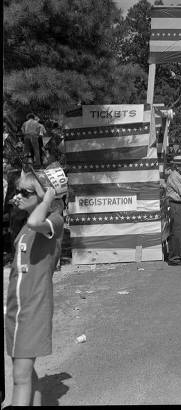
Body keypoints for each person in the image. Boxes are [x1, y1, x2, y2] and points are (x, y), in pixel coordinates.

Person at [5, 170, 65, 406]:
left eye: (25, 191)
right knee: (27, 373)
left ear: (44, 193)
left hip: (33, 308)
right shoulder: (25, 227)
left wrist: (49, 198)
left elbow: (36, 221)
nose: (18, 195)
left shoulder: (54, 220)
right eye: (17, 191)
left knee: (19, 378)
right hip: (17, 309)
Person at [165, 155, 181, 266]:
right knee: (178, 233)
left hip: (180, 205)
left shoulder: (178, 176)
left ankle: (179, 256)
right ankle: (174, 258)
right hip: (177, 205)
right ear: (178, 166)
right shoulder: (175, 176)